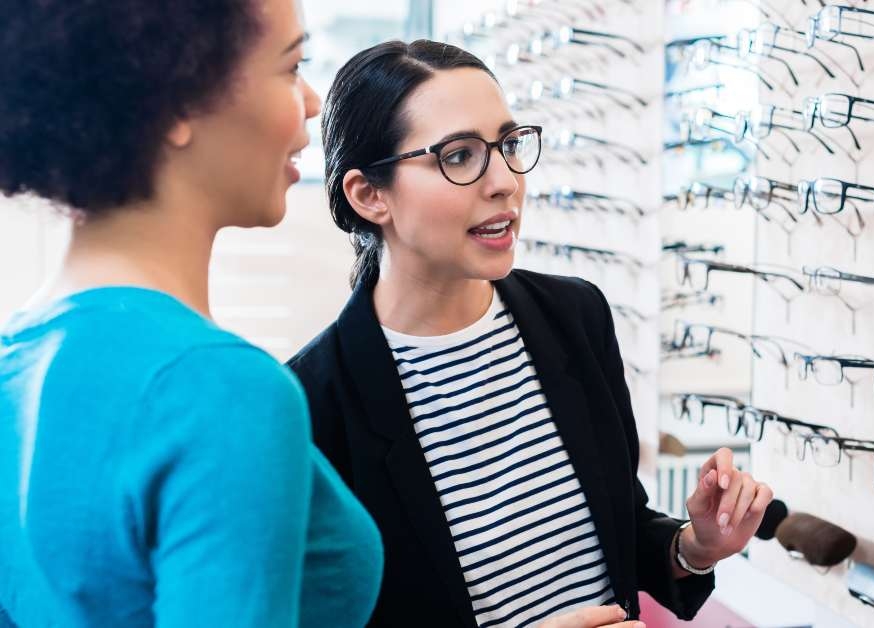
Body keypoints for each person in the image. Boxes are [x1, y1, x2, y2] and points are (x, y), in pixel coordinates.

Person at [288, 39, 773, 628]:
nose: (504, 182)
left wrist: (694, 548)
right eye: (459, 156)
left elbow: (621, 528)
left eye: (508, 145)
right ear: (370, 195)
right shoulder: (310, 407)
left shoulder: (575, 316)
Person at [0, 2, 383, 626]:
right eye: (292, 67)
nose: (313, 102)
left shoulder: (17, 357)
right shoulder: (220, 391)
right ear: (178, 98)